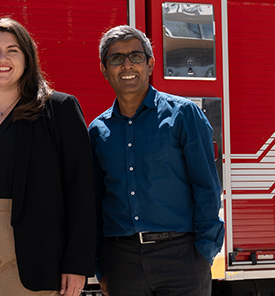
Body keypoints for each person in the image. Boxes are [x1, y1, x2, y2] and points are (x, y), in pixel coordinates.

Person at [0, 17, 94, 296]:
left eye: (12, 50)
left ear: (28, 58)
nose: (2, 58)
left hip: (33, 248)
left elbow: (81, 190)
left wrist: (77, 264)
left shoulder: (59, 109)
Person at [89, 25, 223, 296]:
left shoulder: (184, 115)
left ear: (150, 64)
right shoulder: (97, 131)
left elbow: (207, 188)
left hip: (182, 257)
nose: (127, 65)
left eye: (135, 56)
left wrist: (203, 253)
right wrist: (100, 266)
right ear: (104, 69)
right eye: (116, 58)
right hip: (121, 261)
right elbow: (93, 203)